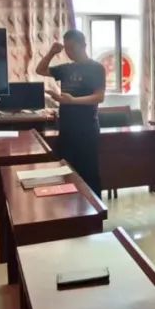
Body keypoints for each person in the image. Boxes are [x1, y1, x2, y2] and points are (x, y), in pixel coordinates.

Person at [36, 30, 106, 194]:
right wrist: (51, 52)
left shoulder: (96, 68)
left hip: (87, 129)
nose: (69, 52)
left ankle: (94, 209)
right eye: (66, 48)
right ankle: (70, 208)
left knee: (89, 173)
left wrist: (72, 101)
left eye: (72, 48)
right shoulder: (66, 68)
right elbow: (40, 70)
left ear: (84, 45)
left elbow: (99, 97)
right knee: (65, 172)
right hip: (67, 128)